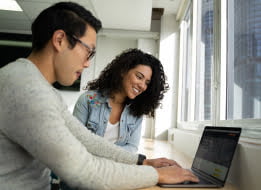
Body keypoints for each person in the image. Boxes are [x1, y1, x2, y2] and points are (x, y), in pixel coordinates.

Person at [0, 1, 199, 190]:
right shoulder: (29, 90)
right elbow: (85, 171)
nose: (87, 63)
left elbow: (84, 138)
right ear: (60, 40)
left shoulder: (37, 86)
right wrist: (157, 175)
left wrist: (141, 161)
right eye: (89, 52)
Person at [73, 48, 169, 153]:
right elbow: (75, 140)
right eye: (139, 77)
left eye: (147, 82)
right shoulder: (88, 100)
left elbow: (132, 148)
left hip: (114, 167)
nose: (142, 85)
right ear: (123, 71)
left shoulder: (137, 112)